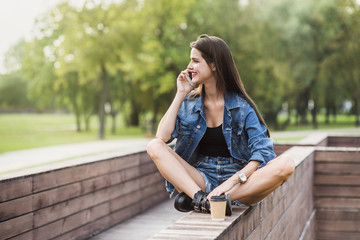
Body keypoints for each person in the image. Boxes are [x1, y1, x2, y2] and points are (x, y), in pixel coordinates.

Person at [146, 34, 295, 215]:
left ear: (214, 65)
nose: (189, 67)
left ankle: (220, 199)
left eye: (195, 61)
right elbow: (162, 137)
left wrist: (230, 183)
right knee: (154, 146)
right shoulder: (189, 103)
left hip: (240, 183)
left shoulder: (242, 107)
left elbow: (263, 153)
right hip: (202, 178)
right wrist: (181, 93)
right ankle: (201, 199)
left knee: (286, 164)